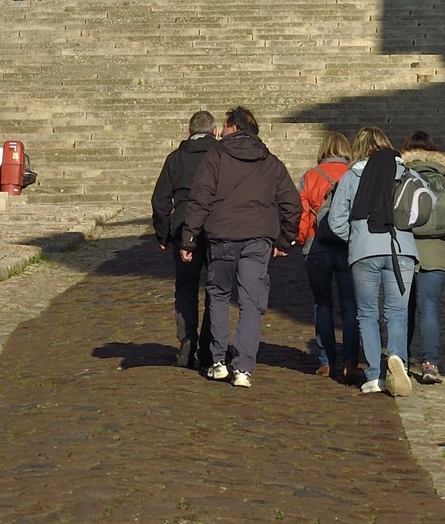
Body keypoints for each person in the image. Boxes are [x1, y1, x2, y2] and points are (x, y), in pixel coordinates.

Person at [180, 105, 298, 389]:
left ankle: (218, 361)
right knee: (251, 303)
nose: (220, 132)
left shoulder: (216, 156)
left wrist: (189, 237)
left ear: (234, 128)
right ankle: (243, 368)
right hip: (257, 239)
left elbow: (200, 199)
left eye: (225, 127)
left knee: (219, 296)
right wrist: (285, 239)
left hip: (222, 236)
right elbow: (292, 204)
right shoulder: (270, 162)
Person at [323, 125, 425, 397]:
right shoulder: (405, 172)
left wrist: (355, 238)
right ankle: (397, 359)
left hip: (364, 250)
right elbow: (424, 204)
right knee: (397, 312)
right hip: (401, 248)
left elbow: (335, 221)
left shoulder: (351, 176)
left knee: (367, 313)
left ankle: (374, 375)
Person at [151, 109, 219, 369]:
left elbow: (159, 200)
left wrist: (163, 232)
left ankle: (187, 339)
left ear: (188, 131)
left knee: (186, 287)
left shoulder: (176, 158)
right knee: (216, 288)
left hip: (183, 227)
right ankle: (209, 342)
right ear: (214, 132)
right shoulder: (220, 155)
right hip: (215, 227)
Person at [400, 128, 445, 383]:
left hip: (405, 251)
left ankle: (400, 361)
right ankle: (430, 363)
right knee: (429, 310)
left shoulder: (401, 176)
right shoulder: (444, 180)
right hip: (436, 255)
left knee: (402, 310)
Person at [298, 129, 358, 381]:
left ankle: (326, 360)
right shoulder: (353, 175)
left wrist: (304, 240)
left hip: (317, 245)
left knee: (321, 304)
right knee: (350, 305)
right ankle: (351, 360)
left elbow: (300, 213)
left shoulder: (311, 176)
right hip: (347, 245)